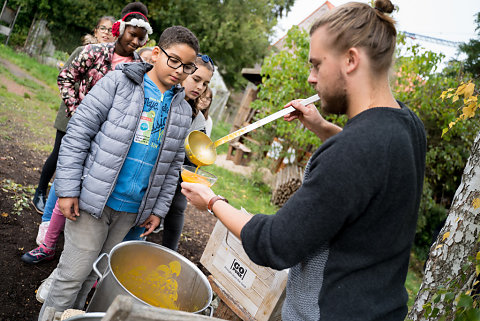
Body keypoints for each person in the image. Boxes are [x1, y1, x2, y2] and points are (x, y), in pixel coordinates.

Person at [181, 1, 427, 320]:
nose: (311, 78)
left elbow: (276, 243)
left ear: (351, 60)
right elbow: (372, 163)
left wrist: (213, 201)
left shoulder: (350, 150)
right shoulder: (408, 125)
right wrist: (323, 127)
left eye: (316, 65)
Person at [38, 25, 199, 319]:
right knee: (71, 275)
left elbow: (174, 165)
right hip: (92, 202)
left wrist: (159, 209)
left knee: (93, 277)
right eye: (173, 59)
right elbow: (78, 134)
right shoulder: (118, 83)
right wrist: (69, 188)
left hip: (130, 211)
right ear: (155, 53)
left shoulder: (182, 110)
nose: (179, 70)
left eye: (188, 66)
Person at [23, 2, 150, 264]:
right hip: (81, 129)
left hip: (107, 140)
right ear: (120, 30)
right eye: (132, 35)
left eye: (141, 38)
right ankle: (47, 243)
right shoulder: (94, 52)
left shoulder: (139, 68)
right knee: (65, 184)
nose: (136, 42)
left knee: (87, 190)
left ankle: (71, 250)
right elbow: (66, 77)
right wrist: (77, 112)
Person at [124, 54, 215, 250]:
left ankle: (166, 254)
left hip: (175, 176)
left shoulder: (197, 117)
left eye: (205, 84)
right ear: (185, 71)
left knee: (174, 209)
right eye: (196, 79)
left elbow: (196, 151)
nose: (200, 87)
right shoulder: (163, 101)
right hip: (144, 175)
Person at [31, 16, 116, 217]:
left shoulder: (114, 60)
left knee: (78, 161)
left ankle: (62, 198)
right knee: (59, 154)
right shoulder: (84, 51)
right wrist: (77, 108)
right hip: (72, 114)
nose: (105, 32)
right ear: (95, 31)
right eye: (102, 28)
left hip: (96, 121)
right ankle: (40, 192)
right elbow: (66, 76)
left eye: (110, 30)